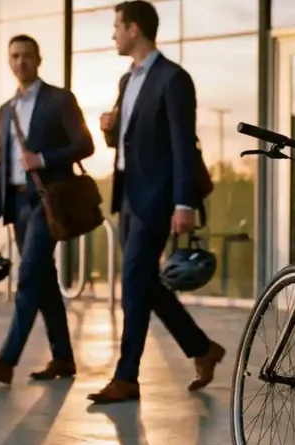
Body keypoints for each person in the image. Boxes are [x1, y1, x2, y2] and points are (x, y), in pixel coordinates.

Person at [88, 1, 224, 404]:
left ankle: (127, 376)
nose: (113, 34)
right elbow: (127, 142)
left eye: (117, 26)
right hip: (127, 195)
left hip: (158, 198)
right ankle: (202, 348)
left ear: (134, 29)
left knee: (133, 282)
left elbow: (183, 145)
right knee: (145, 282)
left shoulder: (173, 79)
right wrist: (108, 132)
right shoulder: (126, 81)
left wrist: (184, 203)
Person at [0, 34, 95, 385]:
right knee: (44, 282)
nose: (20, 61)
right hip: (17, 205)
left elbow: (85, 144)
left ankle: (6, 361)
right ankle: (63, 359)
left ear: (39, 60)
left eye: (26, 55)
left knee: (28, 277)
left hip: (48, 200)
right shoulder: (6, 110)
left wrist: (43, 158)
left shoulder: (59, 100)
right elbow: (2, 164)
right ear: (9, 62)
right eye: (14, 56)